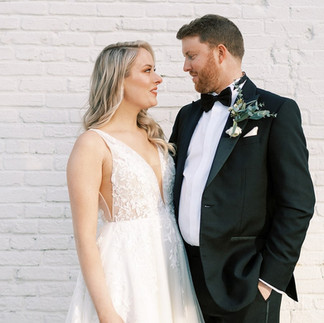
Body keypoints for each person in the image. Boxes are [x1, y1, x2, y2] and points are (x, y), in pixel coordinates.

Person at [169, 14, 315, 323]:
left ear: (220, 53)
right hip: (185, 280)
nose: (185, 67)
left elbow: (298, 203)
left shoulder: (276, 112)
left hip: (245, 281)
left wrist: (268, 280)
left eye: (191, 55)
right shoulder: (186, 116)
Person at [65, 41, 204, 323]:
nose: (158, 78)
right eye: (147, 70)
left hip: (170, 272)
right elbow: (84, 239)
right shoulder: (92, 145)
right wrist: (106, 312)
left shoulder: (153, 137)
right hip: (126, 275)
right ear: (119, 80)